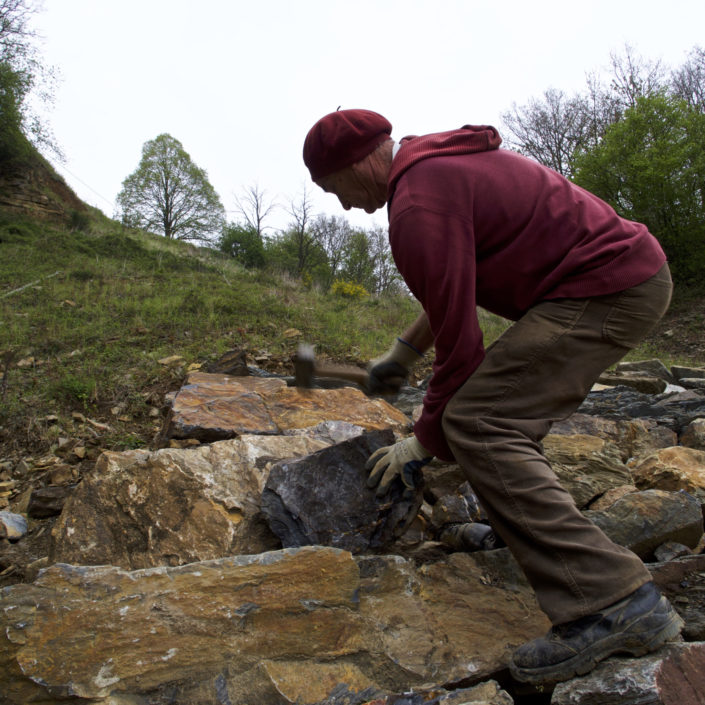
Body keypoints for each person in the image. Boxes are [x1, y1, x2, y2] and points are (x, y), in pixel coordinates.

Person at [302, 108, 684, 685]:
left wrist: (423, 440)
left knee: (479, 420)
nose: (343, 205)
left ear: (356, 163)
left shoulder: (416, 206)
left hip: (606, 286)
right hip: (617, 277)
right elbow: (453, 285)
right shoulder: (433, 171)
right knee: (496, 408)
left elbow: (462, 350)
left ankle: (614, 602)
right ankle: (522, 532)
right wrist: (403, 354)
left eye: (334, 188)